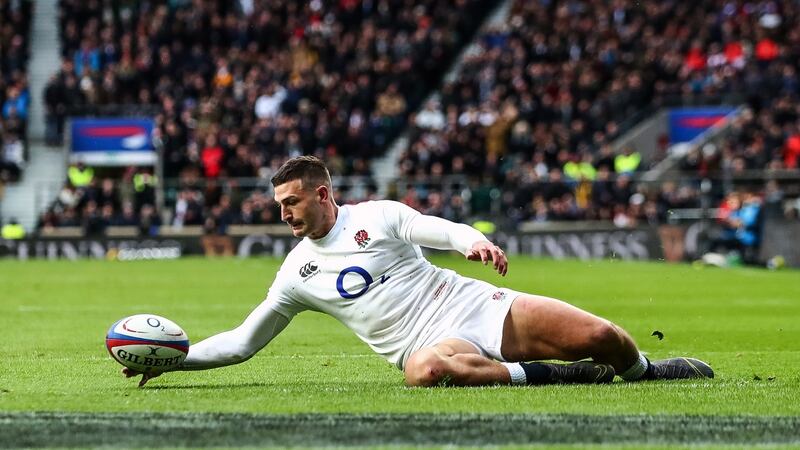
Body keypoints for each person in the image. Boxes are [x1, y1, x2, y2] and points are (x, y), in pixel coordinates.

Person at [125, 156, 713, 387]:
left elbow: (439, 229)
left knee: (601, 338)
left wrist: (474, 240)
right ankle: (553, 378)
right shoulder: (296, 273)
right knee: (425, 372)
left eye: (292, 204)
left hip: (477, 305)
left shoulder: (376, 217)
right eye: (279, 207)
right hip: (431, 345)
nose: (283, 215)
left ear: (323, 195)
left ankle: (647, 372)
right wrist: (176, 357)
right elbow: (241, 342)